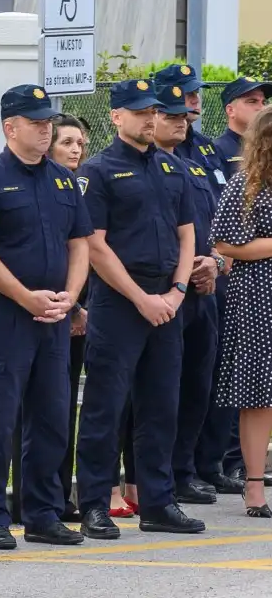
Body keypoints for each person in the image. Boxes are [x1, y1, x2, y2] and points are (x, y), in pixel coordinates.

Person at [74, 78, 203, 541]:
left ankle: (157, 502)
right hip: (120, 301)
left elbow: (187, 234)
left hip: (167, 301)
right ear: (116, 117)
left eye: (154, 112)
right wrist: (141, 298)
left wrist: (177, 291)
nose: (151, 119)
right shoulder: (99, 171)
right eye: (141, 112)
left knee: (161, 405)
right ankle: (94, 504)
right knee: (105, 407)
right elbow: (95, 245)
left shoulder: (172, 167)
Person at [0, 85, 90, 550]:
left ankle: (42, 513)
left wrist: (70, 297)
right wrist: (25, 297)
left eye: (47, 122)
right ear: (10, 127)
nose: (45, 129)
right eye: (35, 123)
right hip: (7, 318)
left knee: (51, 417)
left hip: (53, 318)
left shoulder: (63, 180)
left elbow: (79, 243)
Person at [149, 75, 223, 508]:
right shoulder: (142, 164)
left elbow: (217, 218)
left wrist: (214, 261)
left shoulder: (200, 155)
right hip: (164, 292)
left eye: (186, 109)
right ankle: (154, 480)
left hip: (204, 287)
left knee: (198, 382)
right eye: (170, 113)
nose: (182, 117)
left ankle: (185, 472)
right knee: (161, 391)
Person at [200, 75, 272, 493]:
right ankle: (251, 482)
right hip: (257, 295)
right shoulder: (244, 182)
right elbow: (224, 242)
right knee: (256, 394)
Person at [49, 114, 95, 522]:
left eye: (80, 142)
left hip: (77, 310)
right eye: (66, 142)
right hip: (45, 309)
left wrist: (79, 305)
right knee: (36, 412)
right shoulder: (45, 186)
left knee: (64, 408)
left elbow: (84, 249)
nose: (76, 149)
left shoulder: (76, 188)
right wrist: (73, 306)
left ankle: (61, 495)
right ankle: (34, 497)